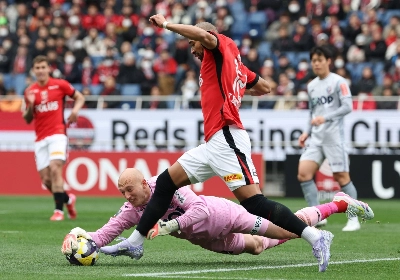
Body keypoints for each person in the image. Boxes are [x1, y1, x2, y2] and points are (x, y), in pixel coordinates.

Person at [103, 15, 336, 272]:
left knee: (255, 204)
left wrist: (167, 25)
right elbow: (265, 87)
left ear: (206, 38)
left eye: (193, 44)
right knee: (166, 183)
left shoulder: (217, 46)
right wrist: (235, 85)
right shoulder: (232, 65)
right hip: (213, 142)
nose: (193, 50)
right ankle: (136, 242)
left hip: (226, 137)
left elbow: (206, 37)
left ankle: (316, 236)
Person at [61, 168, 373, 260]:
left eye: (130, 189)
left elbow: (199, 208)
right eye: (122, 193)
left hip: (222, 215)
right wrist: (86, 242)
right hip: (204, 238)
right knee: (255, 248)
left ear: (144, 183)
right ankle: (324, 216)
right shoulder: (132, 209)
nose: (127, 197)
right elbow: (109, 230)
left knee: (285, 230)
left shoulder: (166, 184)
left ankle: (338, 204)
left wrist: (171, 227)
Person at [297, 46, 360, 231]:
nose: (316, 63)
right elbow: (313, 112)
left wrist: (326, 117)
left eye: (320, 60)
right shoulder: (311, 86)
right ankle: (317, 216)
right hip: (316, 138)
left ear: (328, 61)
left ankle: (354, 218)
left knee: (341, 177)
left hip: (334, 137)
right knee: (303, 173)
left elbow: (348, 106)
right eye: (313, 61)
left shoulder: (339, 82)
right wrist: (307, 132)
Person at [23, 55, 85, 221]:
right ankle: (68, 199)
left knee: (55, 168)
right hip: (40, 138)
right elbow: (28, 119)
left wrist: (75, 111)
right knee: (46, 180)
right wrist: (30, 105)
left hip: (58, 134)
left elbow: (80, 97)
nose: (41, 71)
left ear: (49, 68)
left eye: (43, 67)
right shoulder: (30, 91)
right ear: (34, 70)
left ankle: (59, 211)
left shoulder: (60, 84)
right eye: (38, 68)